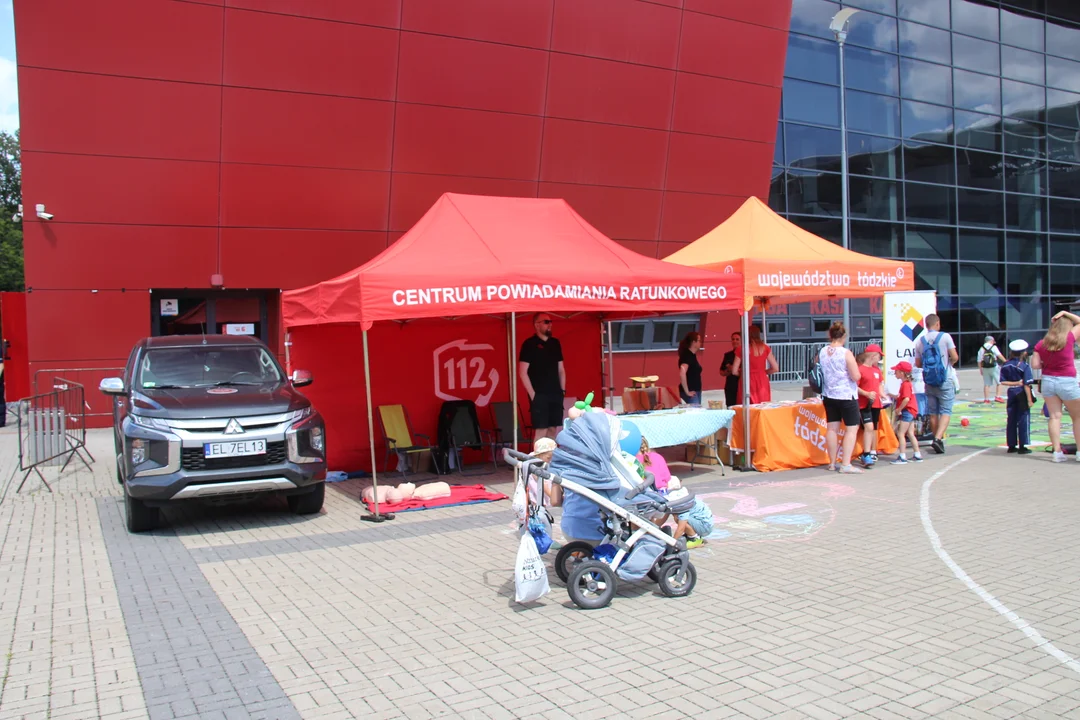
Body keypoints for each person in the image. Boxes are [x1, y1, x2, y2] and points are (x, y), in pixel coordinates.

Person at [1031, 310, 1080, 462]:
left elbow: (1035, 365)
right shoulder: (1069, 338)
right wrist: (1065, 312)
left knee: (1054, 417)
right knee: (1077, 417)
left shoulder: (1041, 344)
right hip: (1067, 381)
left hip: (1048, 382)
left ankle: (1057, 452)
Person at [818, 322, 863, 474]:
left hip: (829, 394)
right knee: (851, 428)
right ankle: (845, 464)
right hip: (846, 394)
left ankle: (831, 462)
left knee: (832, 428)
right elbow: (856, 375)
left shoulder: (823, 351)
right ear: (844, 336)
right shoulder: (845, 353)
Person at [914, 313, 958, 455]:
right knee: (946, 410)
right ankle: (938, 439)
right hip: (944, 379)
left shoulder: (920, 341)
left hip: (929, 381)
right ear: (937, 323)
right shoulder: (945, 337)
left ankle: (936, 438)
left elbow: (918, 363)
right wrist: (948, 363)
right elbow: (955, 356)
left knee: (933, 412)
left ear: (926, 325)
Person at [518, 313, 565, 441]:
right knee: (541, 430)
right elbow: (522, 372)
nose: (550, 324)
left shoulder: (555, 343)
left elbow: (561, 369)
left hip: (555, 393)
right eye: (546, 322)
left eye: (551, 321)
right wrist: (533, 395)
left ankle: (549, 459)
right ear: (536, 325)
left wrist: (562, 390)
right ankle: (538, 460)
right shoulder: (529, 344)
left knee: (552, 429)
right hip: (539, 394)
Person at [1000, 340, 1035, 455]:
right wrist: (1029, 400)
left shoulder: (1006, 365)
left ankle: (1011, 445)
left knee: (1011, 419)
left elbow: (1003, 382)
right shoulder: (1024, 366)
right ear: (1023, 353)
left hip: (1011, 392)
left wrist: (1014, 383)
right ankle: (1023, 445)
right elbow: (1026, 384)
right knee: (1023, 418)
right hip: (1021, 393)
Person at [731, 325, 778, 404]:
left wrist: (742, 372)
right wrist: (763, 372)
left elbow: (734, 371)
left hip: (747, 379)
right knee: (763, 406)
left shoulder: (741, 349)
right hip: (762, 379)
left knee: (747, 407)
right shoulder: (765, 348)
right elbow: (775, 368)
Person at [856, 344, 884, 468]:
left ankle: (868, 452)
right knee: (868, 426)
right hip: (864, 404)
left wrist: (883, 395)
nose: (880, 359)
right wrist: (866, 394)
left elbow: (879, 385)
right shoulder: (860, 369)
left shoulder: (877, 370)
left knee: (871, 428)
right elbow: (854, 387)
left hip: (876, 403)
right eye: (879, 356)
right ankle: (866, 453)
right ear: (873, 355)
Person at [889, 361, 922, 464]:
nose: (895, 373)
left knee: (901, 433)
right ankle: (917, 454)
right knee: (910, 433)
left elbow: (906, 399)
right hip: (911, 411)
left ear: (902, 373)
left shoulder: (905, 385)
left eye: (896, 371)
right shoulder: (907, 384)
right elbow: (903, 397)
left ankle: (902, 456)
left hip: (907, 411)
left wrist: (899, 409)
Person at [977, 335, 1007, 404]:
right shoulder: (993, 347)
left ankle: (986, 399)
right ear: (991, 341)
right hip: (994, 367)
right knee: (999, 382)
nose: (994, 342)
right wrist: (1005, 361)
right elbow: (999, 355)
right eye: (993, 341)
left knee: (986, 384)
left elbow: (979, 360)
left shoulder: (981, 348)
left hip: (985, 368)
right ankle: (998, 396)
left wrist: (980, 369)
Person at [677, 331, 703, 406]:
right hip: (691, 390)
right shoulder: (687, 356)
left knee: (698, 411)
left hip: (696, 389)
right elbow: (682, 372)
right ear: (693, 342)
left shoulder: (692, 355)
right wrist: (687, 391)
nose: (700, 343)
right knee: (696, 413)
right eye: (699, 341)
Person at [718, 331, 741, 408]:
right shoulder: (728, 355)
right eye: (733, 339)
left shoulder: (746, 354)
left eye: (737, 339)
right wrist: (728, 370)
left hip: (741, 385)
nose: (734, 341)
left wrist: (736, 370)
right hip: (730, 385)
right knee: (730, 407)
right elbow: (721, 372)